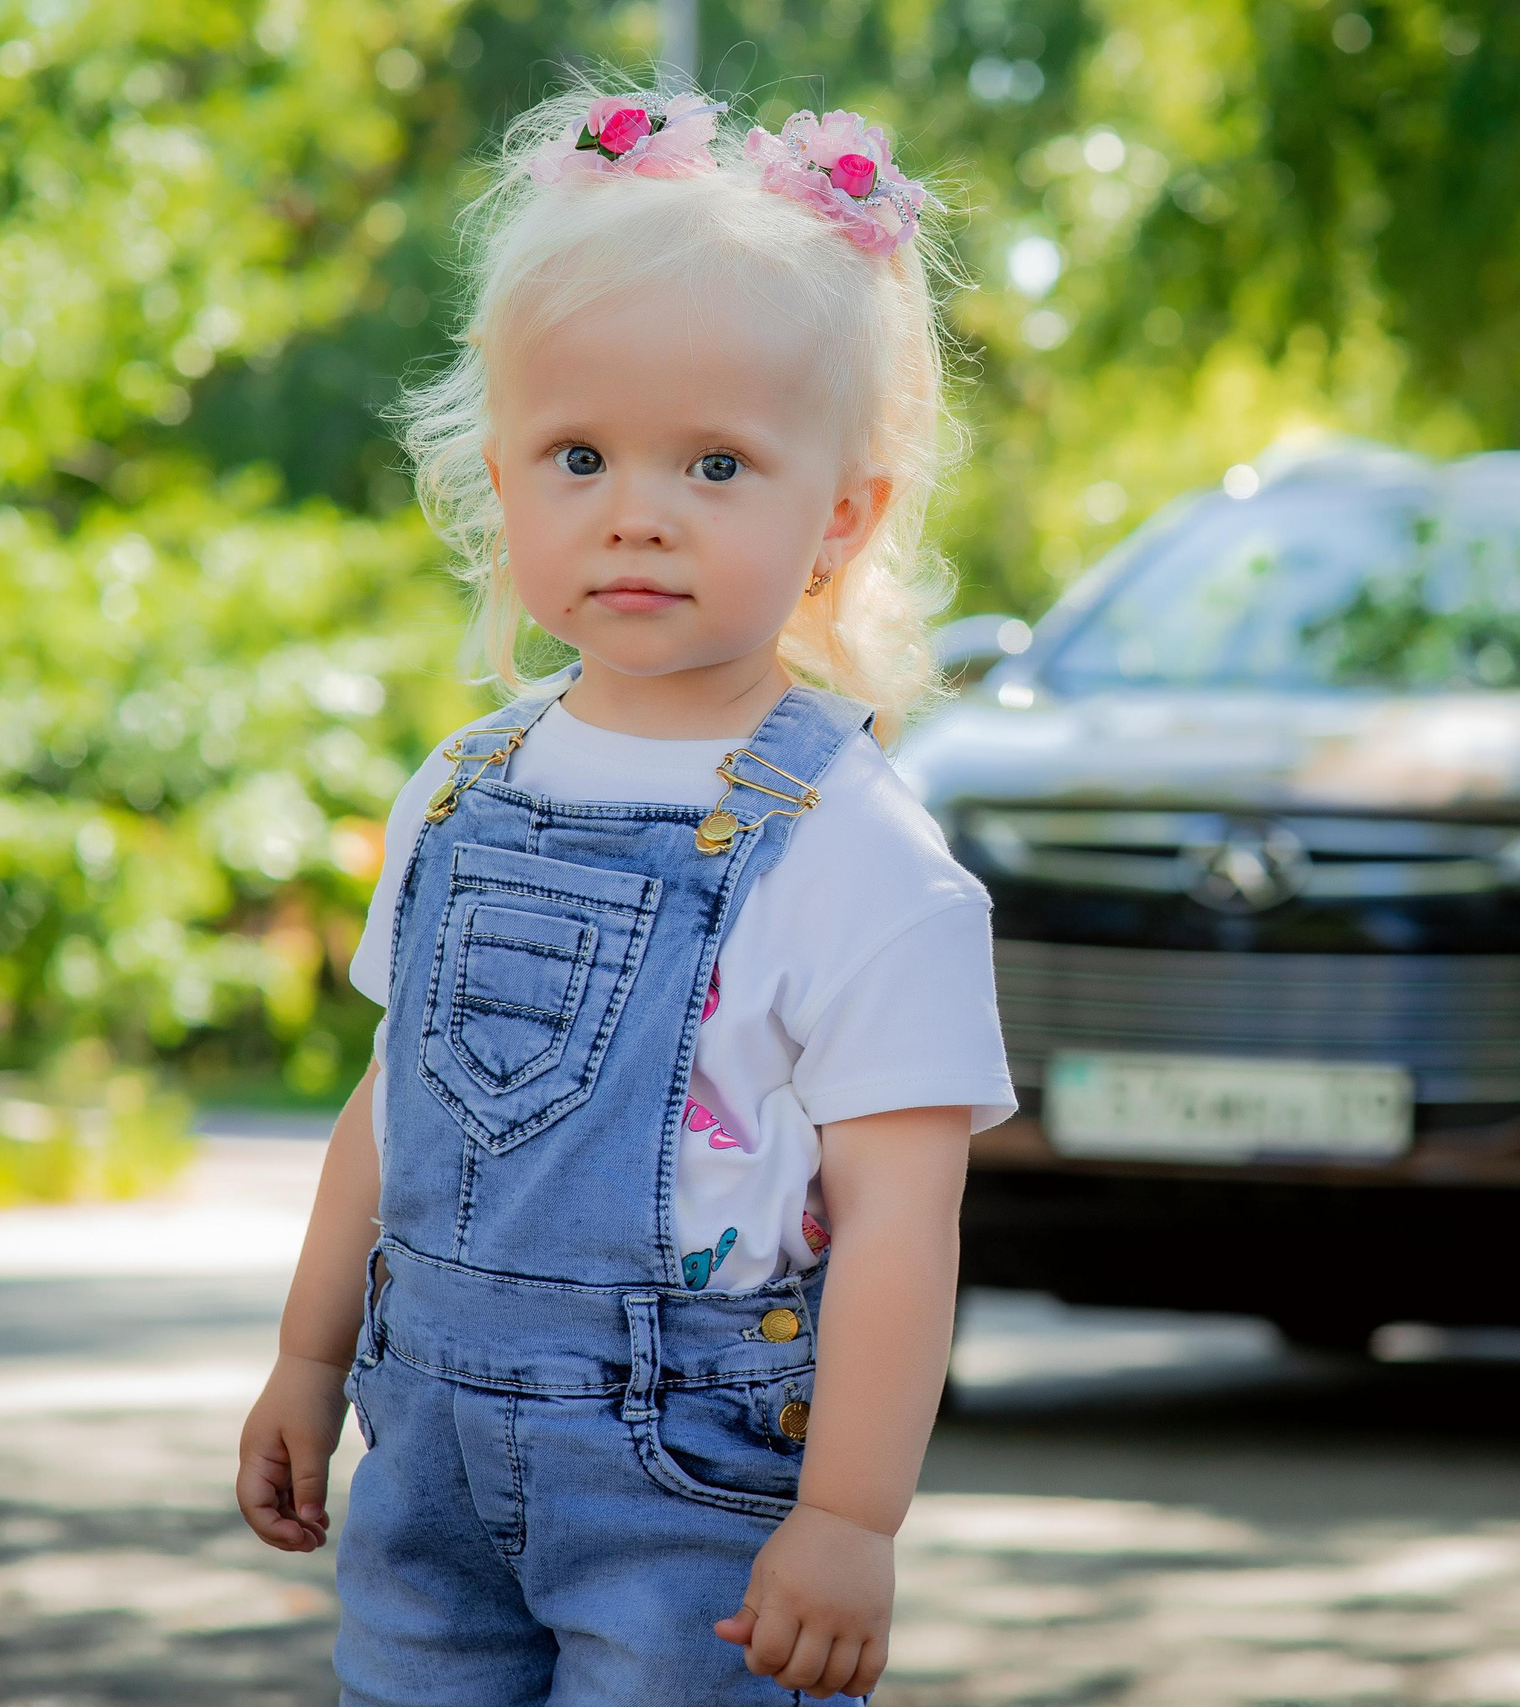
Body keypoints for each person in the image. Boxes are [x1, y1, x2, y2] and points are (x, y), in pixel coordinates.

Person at [233, 83, 1013, 1704]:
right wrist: (310, 1362)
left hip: (698, 1489)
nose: (637, 511)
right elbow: (394, 1106)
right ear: (497, 480)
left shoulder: (860, 853)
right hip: (423, 1449)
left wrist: (853, 1519)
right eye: (578, 455)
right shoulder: (466, 783)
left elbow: (898, 1222)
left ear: (838, 520)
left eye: (718, 464)